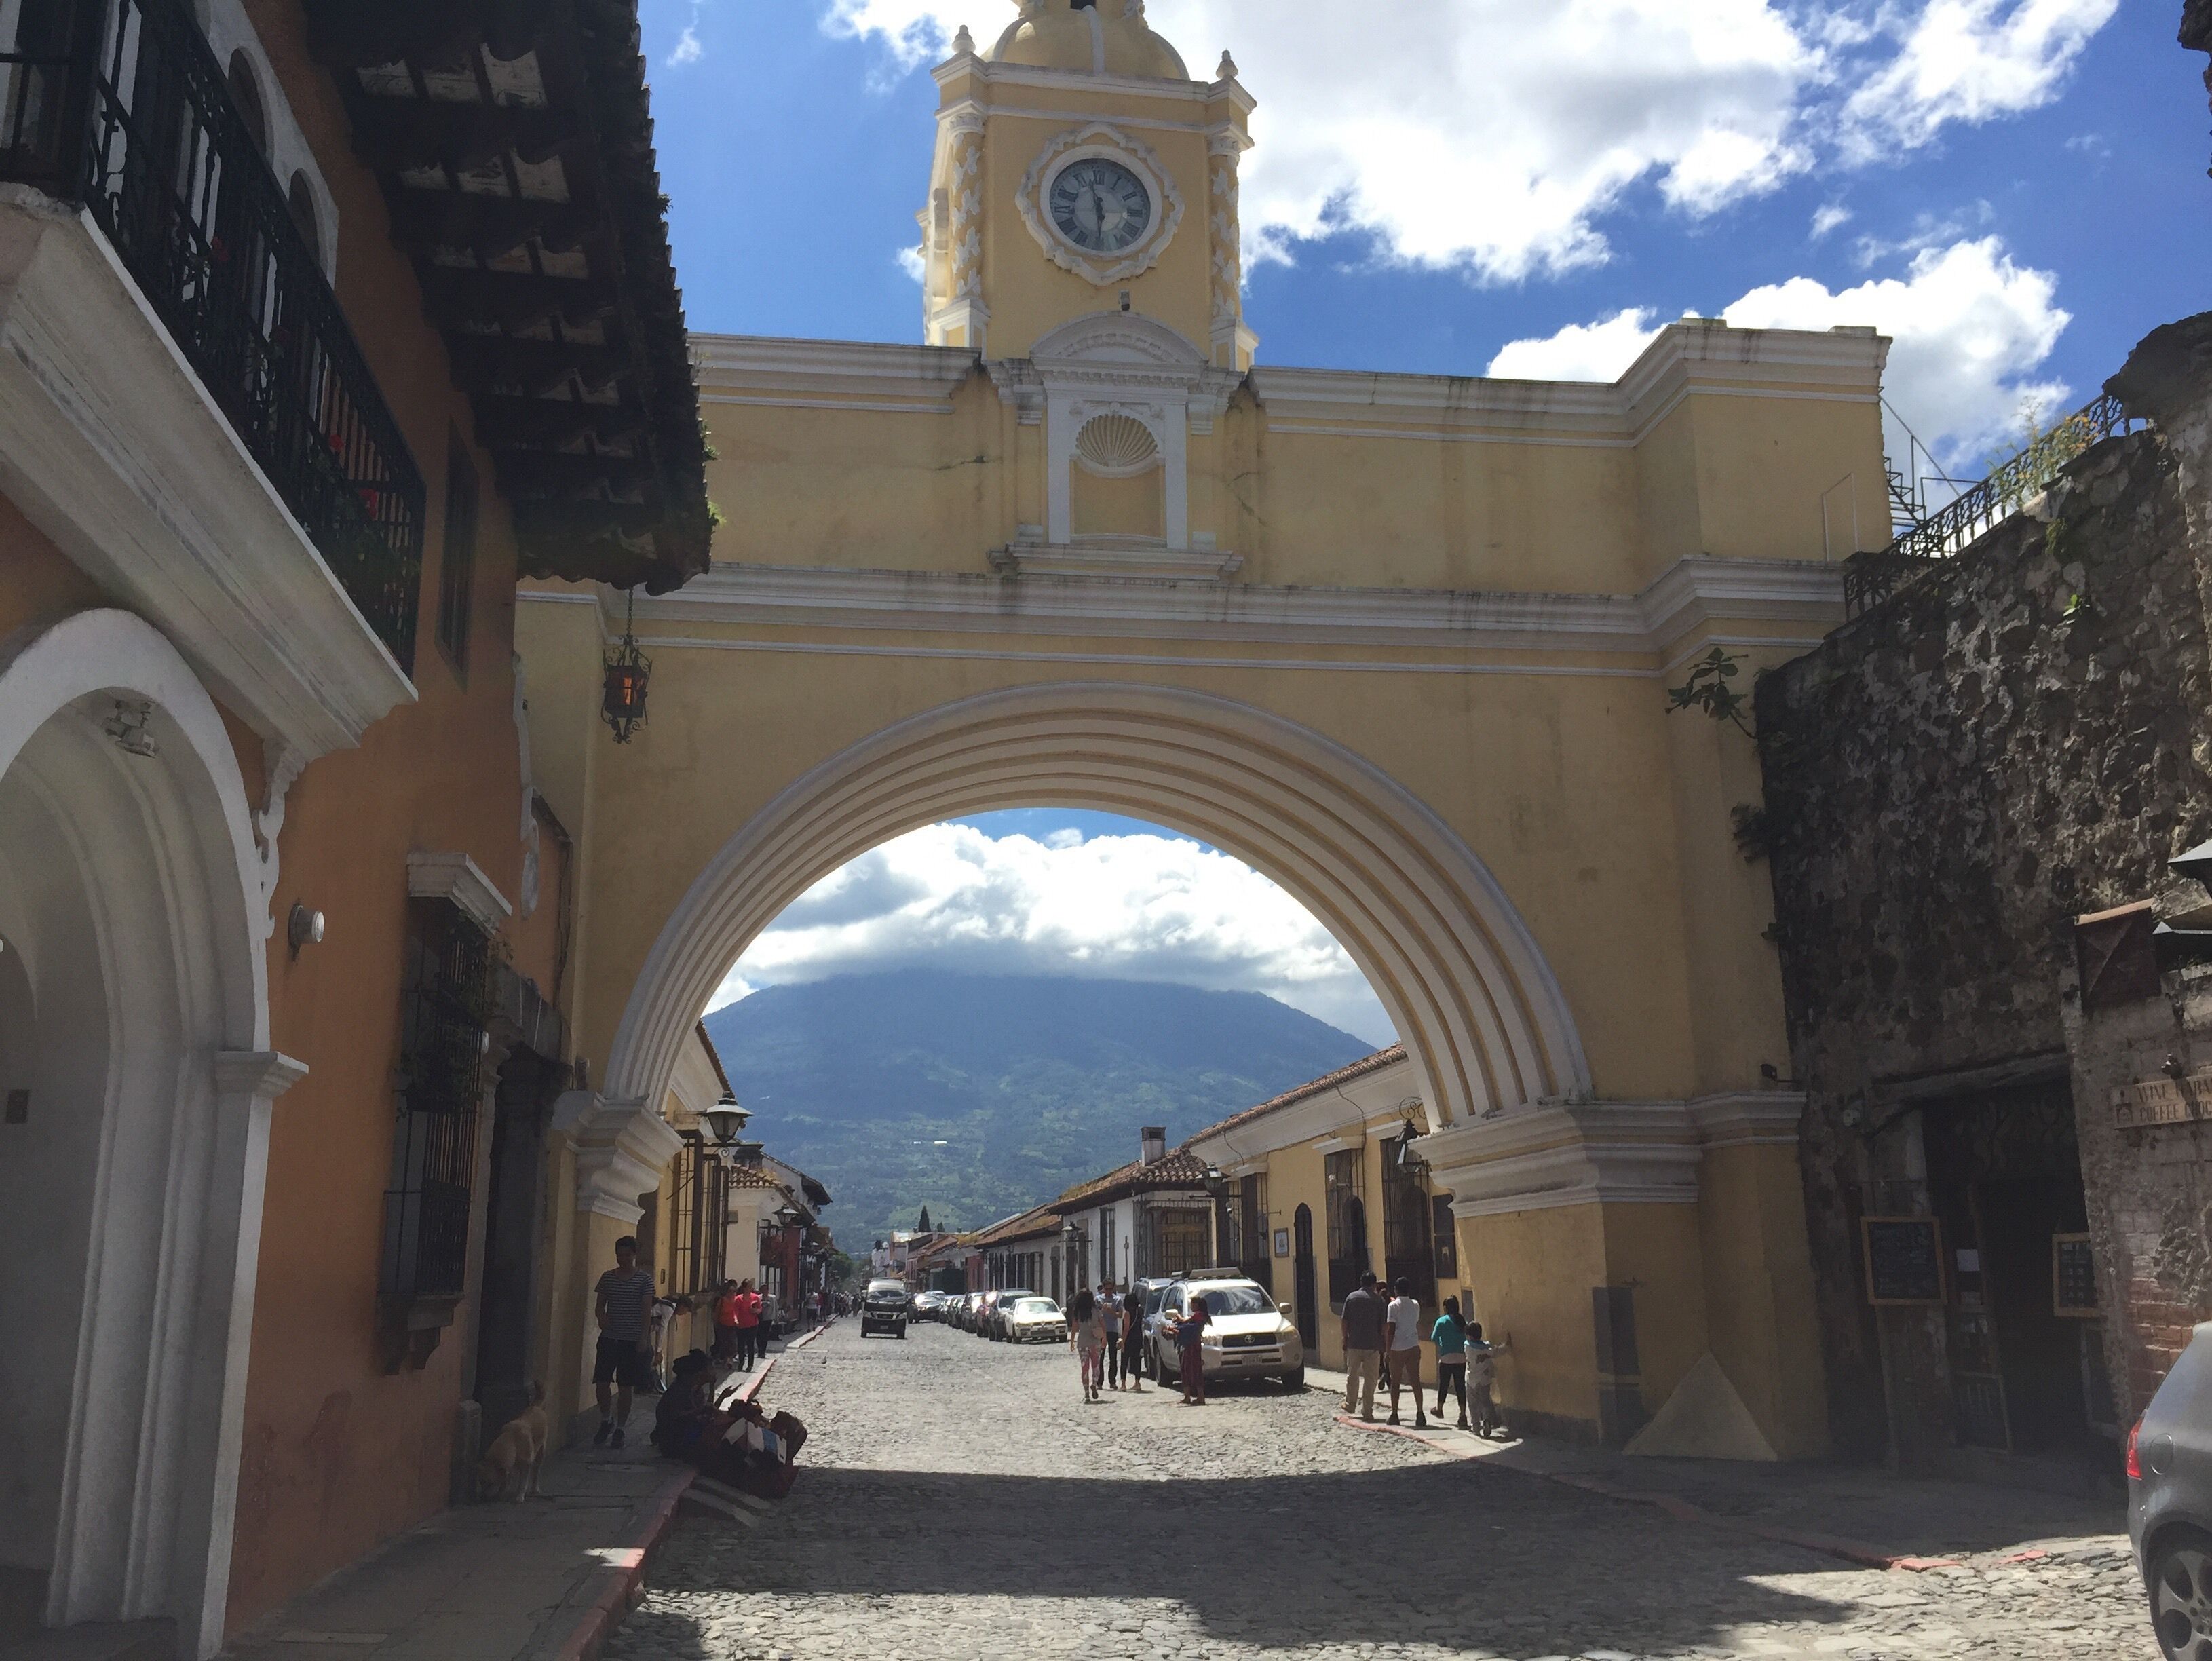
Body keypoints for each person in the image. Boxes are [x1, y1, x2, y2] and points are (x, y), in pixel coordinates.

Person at [592, 1235, 657, 1449]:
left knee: (625, 1385)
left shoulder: (644, 1280)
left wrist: (643, 1337)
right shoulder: (608, 1278)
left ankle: (620, 1427)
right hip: (610, 1337)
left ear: (635, 1255)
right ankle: (605, 1419)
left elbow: (646, 1310)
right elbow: (600, 1304)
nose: (623, 1259)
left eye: (627, 1255)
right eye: (620, 1255)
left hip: (631, 1339)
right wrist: (601, 1317)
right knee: (602, 1381)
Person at [1339, 1269, 1386, 1421]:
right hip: (1372, 1345)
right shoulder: (1379, 1301)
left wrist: (1344, 1338)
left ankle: (1350, 1403)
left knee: (1352, 1375)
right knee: (1371, 1379)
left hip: (1355, 1343)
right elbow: (1384, 1325)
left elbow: (1345, 1321)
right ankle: (1367, 1410)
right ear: (1374, 1284)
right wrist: (1381, 1341)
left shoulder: (1351, 1298)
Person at [1385, 1276, 1428, 1428]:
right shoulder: (1415, 1304)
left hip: (1398, 1347)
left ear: (1396, 1290)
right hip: (1413, 1345)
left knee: (1395, 1383)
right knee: (1415, 1380)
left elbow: (1391, 1329)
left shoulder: (1393, 1306)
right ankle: (1420, 1412)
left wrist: (1387, 1351)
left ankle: (1395, 1413)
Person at [1431, 1295, 1470, 1429]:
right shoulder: (1462, 1321)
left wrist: (1443, 1344)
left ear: (1445, 1308)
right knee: (1460, 1387)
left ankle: (1440, 1409)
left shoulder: (1441, 1321)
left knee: (1444, 1385)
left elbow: (1434, 1337)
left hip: (1446, 1358)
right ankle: (1463, 1415)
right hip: (1461, 1358)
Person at [1468, 1322, 1511, 1438]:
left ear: (1469, 1336)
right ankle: (1487, 1420)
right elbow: (1496, 1352)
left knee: (1473, 1405)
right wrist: (1506, 1345)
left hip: (1471, 1380)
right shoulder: (1487, 1348)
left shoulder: (1467, 1346)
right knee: (1485, 1402)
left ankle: (1475, 1426)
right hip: (1484, 1380)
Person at [1174, 1293, 1210, 1406]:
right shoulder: (1201, 1315)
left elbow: (1185, 1322)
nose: (1191, 1306)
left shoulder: (1198, 1315)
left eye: (1192, 1304)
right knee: (1192, 1369)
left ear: (1196, 1305)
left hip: (1192, 1345)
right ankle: (1190, 1396)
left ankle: (1197, 1397)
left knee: (1191, 1370)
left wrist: (1179, 1318)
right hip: (1194, 1344)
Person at [1069, 1286, 1105, 1401]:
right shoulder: (1096, 1311)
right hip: (1095, 1342)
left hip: (1083, 1342)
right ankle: (1094, 1383)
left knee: (1085, 1368)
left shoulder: (1078, 1313)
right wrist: (1105, 1338)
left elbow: (1074, 1327)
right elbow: (1103, 1324)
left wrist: (1072, 1340)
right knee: (1096, 1366)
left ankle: (1086, 1393)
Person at [1120, 1284, 1147, 1391]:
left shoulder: (1127, 1313)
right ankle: (1137, 1382)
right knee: (1137, 1361)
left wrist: (1123, 1341)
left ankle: (1123, 1384)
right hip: (1138, 1338)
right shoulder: (1140, 1311)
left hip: (1129, 1340)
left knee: (1124, 1361)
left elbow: (1126, 1328)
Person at [731, 1278, 763, 1369]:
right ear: (744, 1288)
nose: (750, 1288)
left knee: (750, 1344)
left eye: (751, 1287)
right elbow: (735, 1311)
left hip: (752, 1324)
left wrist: (756, 1311)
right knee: (741, 1345)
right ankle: (741, 1362)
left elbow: (760, 1309)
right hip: (741, 1325)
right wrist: (736, 1320)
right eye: (748, 1287)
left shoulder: (755, 1298)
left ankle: (750, 1365)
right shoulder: (738, 1299)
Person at [1099, 1280, 1123, 1390]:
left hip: (1112, 1330)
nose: (1108, 1292)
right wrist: (1102, 1311)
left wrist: (1111, 1311)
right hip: (1100, 1331)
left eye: (1110, 1289)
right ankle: (1099, 1381)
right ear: (1103, 1288)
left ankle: (1112, 1381)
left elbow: (1120, 1314)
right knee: (1100, 1357)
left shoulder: (1117, 1300)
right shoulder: (1098, 1299)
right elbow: (1094, 1314)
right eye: (1106, 1289)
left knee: (1113, 1357)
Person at [712, 1280, 741, 1366]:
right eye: (730, 1291)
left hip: (734, 1325)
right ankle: (725, 1358)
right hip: (723, 1324)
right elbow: (717, 1312)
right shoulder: (722, 1300)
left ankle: (730, 1359)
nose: (732, 1293)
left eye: (734, 1291)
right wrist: (716, 1322)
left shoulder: (737, 1300)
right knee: (724, 1342)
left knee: (733, 1342)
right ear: (727, 1292)